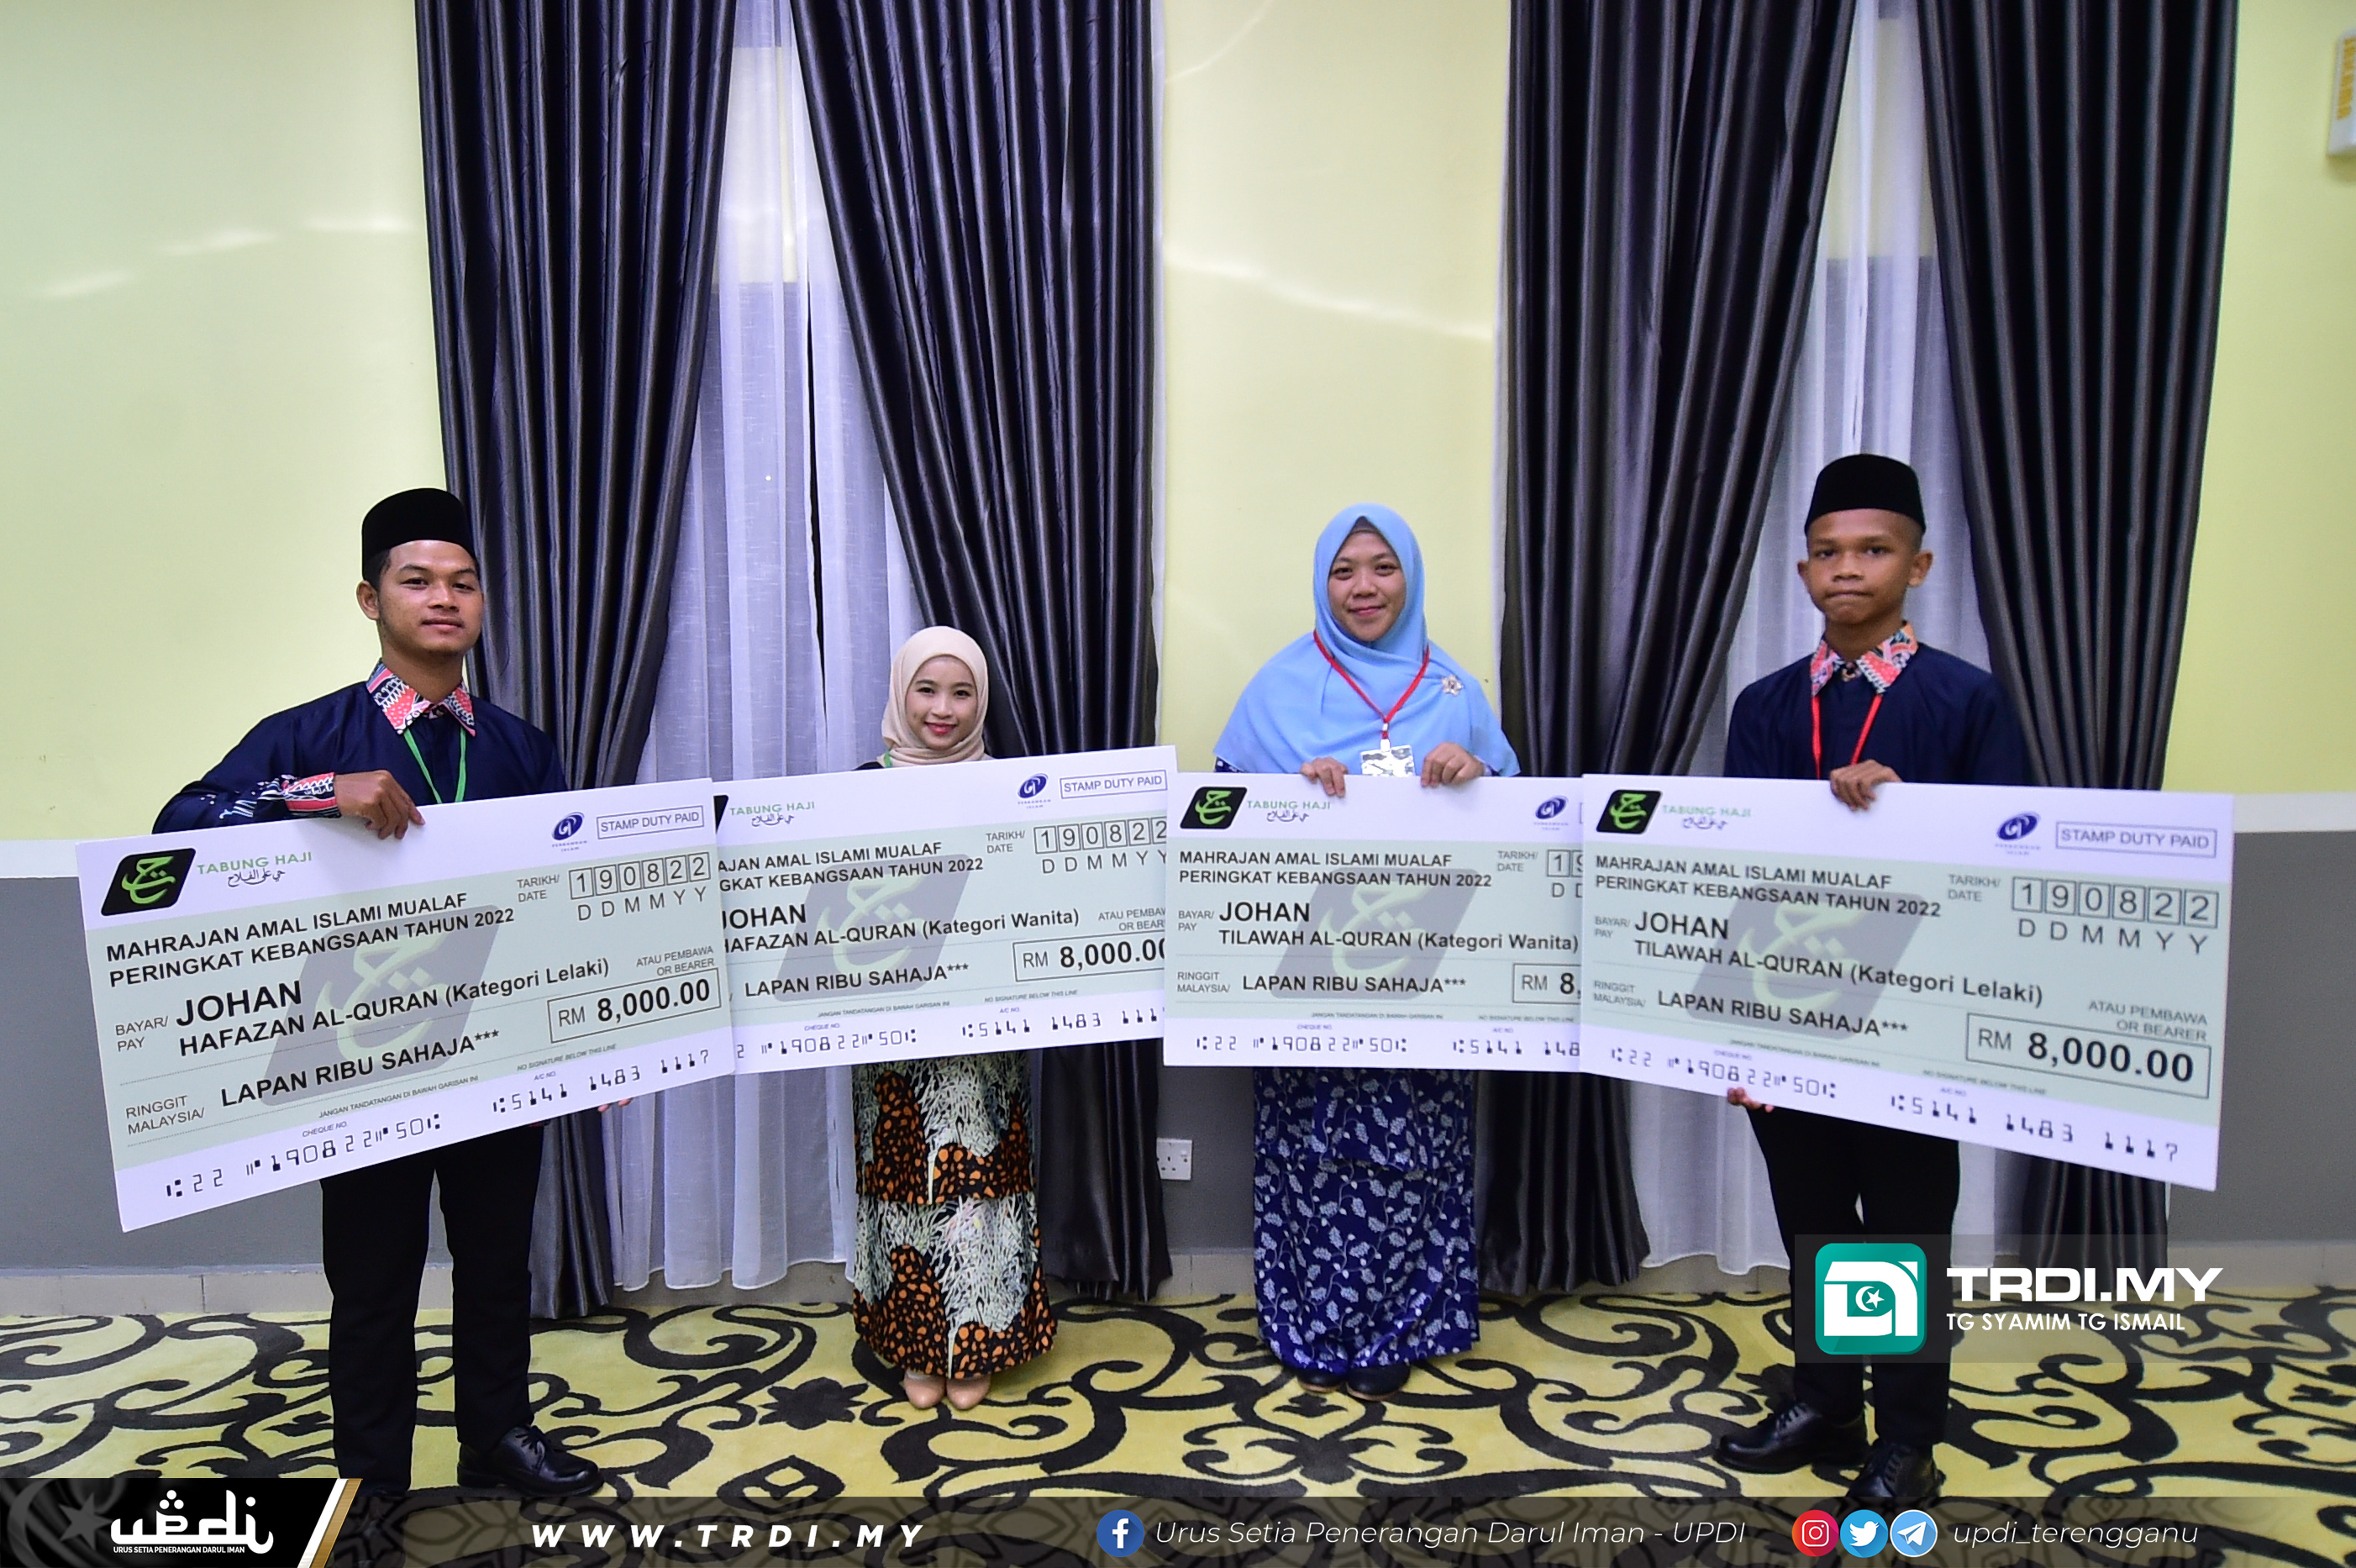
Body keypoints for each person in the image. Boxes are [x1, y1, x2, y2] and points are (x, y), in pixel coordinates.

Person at [155, 488, 597, 1499]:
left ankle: (497, 1433)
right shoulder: (311, 735)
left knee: (498, 1263)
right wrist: (318, 794)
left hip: (496, 1053)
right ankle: (370, 1479)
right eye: (417, 580)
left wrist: (590, 1045)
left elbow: (565, 899)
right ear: (371, 599)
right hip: (364, 1060)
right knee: (372, 1282)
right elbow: (180, 820)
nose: (444, 599)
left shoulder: (522, 747)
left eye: (463, 582)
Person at [1714, 453, 2029, 1508]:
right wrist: (1740, 1036)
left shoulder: (1965, 700)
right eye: (1826, 552)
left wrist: (1911, 812)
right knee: (1811, 1220)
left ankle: (1906, 1438)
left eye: (1872, 549)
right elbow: (1733, 874)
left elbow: (2002, 865)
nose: (1846, 569)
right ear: (1801, 571)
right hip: (1793, 1014)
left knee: (1899, 1231)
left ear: (1917, 565)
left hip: (1911, 1026)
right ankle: (1822, 1402)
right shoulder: (1763, 705)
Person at [1213, 503, 1519, 1401]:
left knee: (1414, 1154)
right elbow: (1222, 825)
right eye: (1343, 570)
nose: (1363, 587)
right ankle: (1311, 1325)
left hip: (1424, 979)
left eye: (1382, 567)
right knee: (1310, 1154)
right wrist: (1289, 795)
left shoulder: (1454, 692)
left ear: (1409, 577)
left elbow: (1514, 824)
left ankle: (1403, 1326)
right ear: (1321, 582)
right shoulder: (1276, 688)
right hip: (1307, 979)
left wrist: (1475, 778)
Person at [849, 626, 1055, 1411]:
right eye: (927, 690)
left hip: (982, 1030)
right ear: (901, 694)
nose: (943, 708)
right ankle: (914, 1345)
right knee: (902, 1185)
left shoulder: (1011, 788)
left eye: (961, 692)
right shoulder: (859, 789)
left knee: (979, 1186)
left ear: (981, 701)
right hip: (893, 1034)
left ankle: (977, 1342)